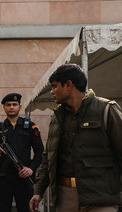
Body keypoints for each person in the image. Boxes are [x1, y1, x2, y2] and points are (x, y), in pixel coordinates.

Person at [29, 64, 122, 212]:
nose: (52, 91)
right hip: (65, 198)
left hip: (101, 198)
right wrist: (38, 191)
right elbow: (48, 158)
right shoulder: (57, 118)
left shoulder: (106, 110)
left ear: (68, 85)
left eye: (54, 86)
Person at [0, 93, 44, 212]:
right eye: (8, 105)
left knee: (26, 208)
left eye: (14, 105)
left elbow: (39, 151)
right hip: (3, 178)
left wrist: (31, 168)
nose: (11, 107)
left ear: (20, 107)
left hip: (24, 176)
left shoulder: (30, 127)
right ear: (4, 107)